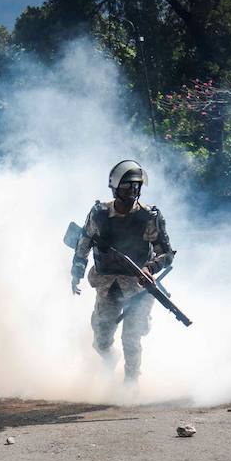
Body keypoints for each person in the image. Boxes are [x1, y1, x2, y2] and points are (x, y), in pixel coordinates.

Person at [71, 160, 174, 385]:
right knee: (101, 339)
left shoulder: (149, 217)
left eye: (137, 186)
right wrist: (76, 271)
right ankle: (110, 359)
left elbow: (166, 254)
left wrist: (149, 268)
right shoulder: (99, 214)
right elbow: (84, 241)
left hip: (138, 286)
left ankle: (131, 384)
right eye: (128, 186)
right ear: (116, 187)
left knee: (131, 337)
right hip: (107, 284)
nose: (133, 191)